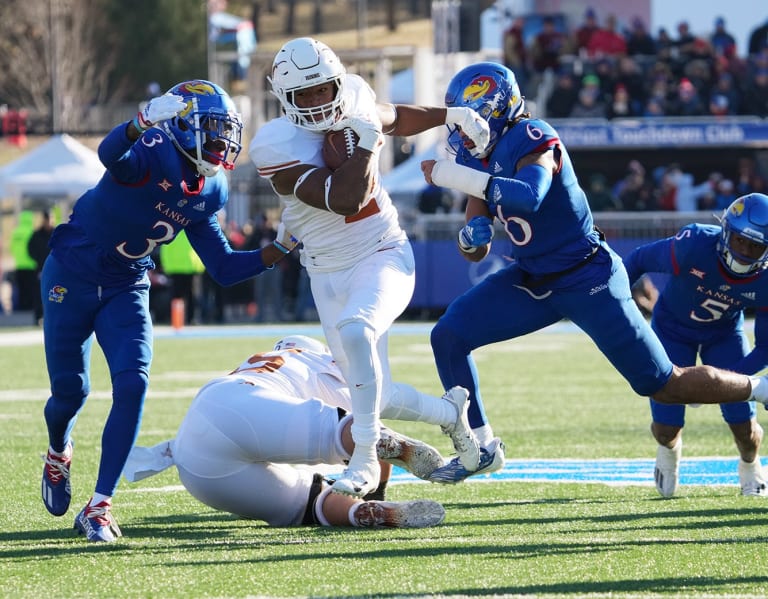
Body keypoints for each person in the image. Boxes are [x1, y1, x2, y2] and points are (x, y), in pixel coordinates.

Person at [418, 61, 768, 483]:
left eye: (469, 120)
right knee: (449, 335)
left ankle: (757, 390)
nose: (462, 133)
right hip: (533, 278)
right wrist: (470, 239)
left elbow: (529, 196)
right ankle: (481, 446)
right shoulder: (482, 157)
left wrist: (450, 175)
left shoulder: (532, 136)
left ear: (498, 110)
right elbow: (477, 249)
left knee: (665, 384)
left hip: (588, 277)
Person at [39, 79, 299, 543]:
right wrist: (138, 123)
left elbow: (220, 266)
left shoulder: (212, 189)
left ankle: (99, 506)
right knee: (69, 394)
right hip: (71, 274)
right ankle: (59, 451)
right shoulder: (154, 147)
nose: (222, 144)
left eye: (226, 133)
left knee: (133, 381)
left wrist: (277, 249)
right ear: (181, 124)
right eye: (213, 131)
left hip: (126, 284)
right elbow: (108, 156)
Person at [249, 38, 489, 498]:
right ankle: (449, 413)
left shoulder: (355, 96)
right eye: (307, 94)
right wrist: (364, 147)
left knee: (358, 333)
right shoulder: (275, 145)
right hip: (324, 270)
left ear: (338, 82)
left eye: (325, 89)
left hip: (382, 251)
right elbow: (344, 198)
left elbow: (394, 116)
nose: (320, 101)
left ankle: (364, 459)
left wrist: (450, 115)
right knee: (373, 395)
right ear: (286, 99)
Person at [123, 335, 464, 528]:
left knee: (310, 503)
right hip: (238, 410)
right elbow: (368, 428)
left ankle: (358, 514)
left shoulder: (271, 361)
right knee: (357, 432)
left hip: (199, 466)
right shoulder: (321, 363)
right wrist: (380, 486)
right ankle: (368, 506)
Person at [624, 194, 768, 498]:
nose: (743, 253)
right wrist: (616, 308)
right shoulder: (695, 243)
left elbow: (765, 347)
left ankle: (750, 464)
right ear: (726, 231)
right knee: (665, 428)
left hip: (724, 336)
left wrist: (720, 385)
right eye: (740, 241)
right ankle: (669, 451)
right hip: (671, 330)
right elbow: (637, 261)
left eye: (755, 247)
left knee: (744, 426)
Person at [27, 209, 54, 325]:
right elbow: (30, 249)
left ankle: (52, 317)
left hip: (54, 268)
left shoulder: (56, 233)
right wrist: (38, 260)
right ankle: (38, 317)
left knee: (54, 293)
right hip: (41, 268)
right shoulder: (36, 235)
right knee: (39, 293)